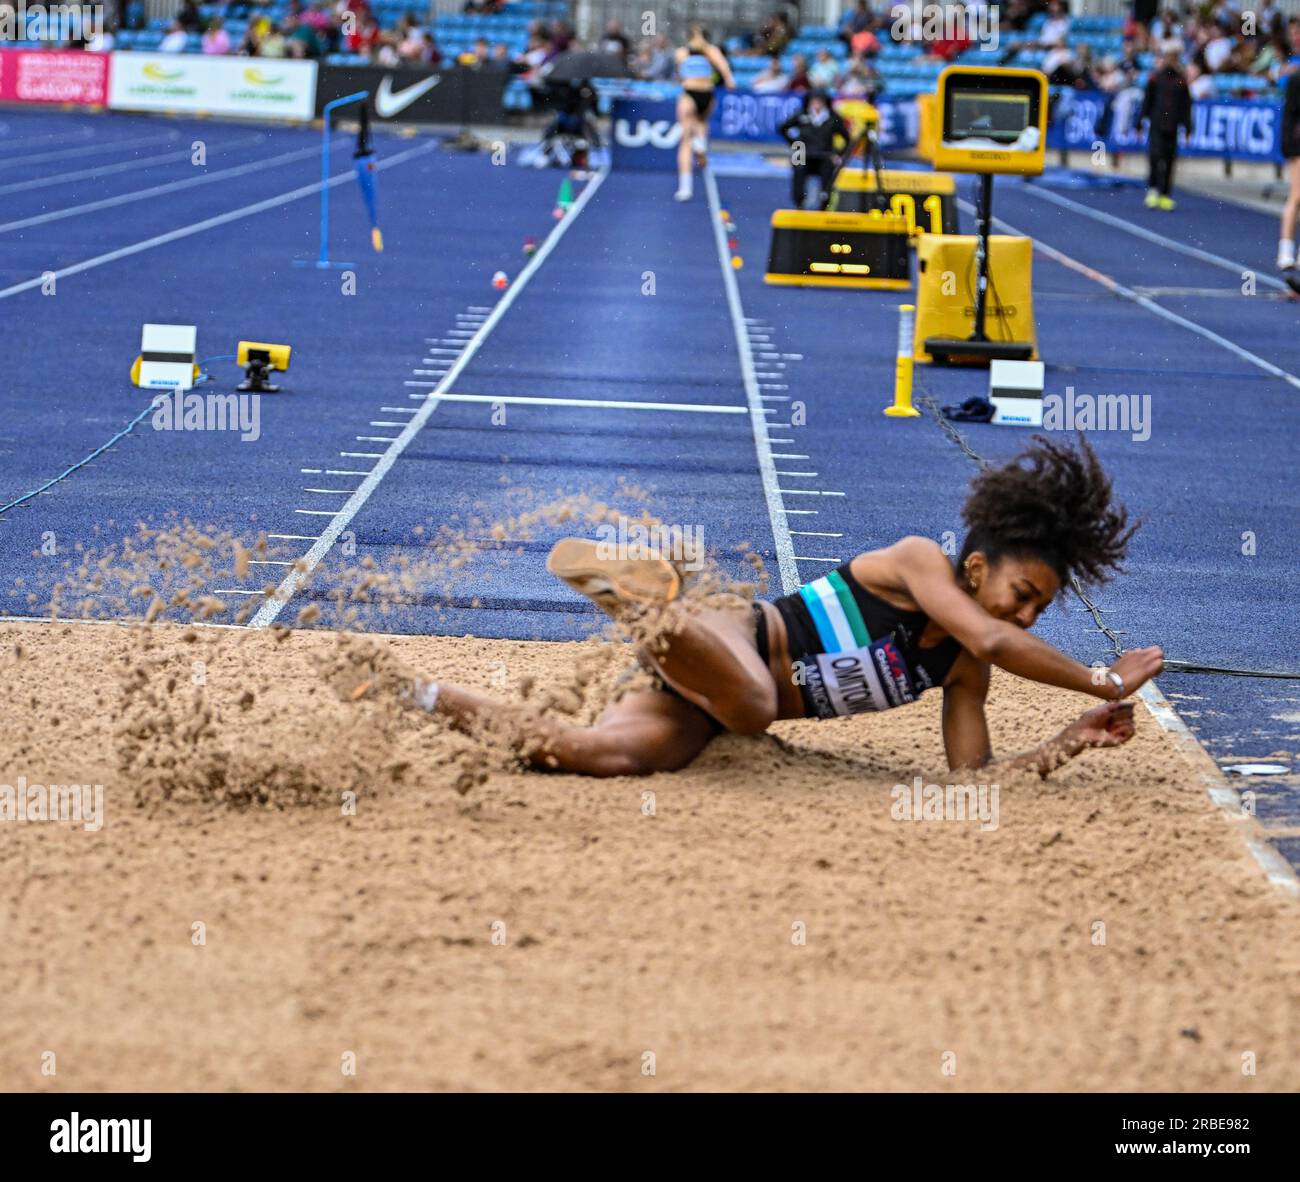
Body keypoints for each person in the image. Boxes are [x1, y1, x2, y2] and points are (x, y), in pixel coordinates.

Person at [396, 437, 1164, 779]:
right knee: (757, 702)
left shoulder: (962, 670)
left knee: (610, 756)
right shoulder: (917, 562)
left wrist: (1074, 737)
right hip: (735, 633)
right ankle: (647, 601)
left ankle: (414, 694)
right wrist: (1104, 681)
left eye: (1039, 608)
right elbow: (994, 638)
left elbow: (972, 780)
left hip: (706, 695)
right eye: (1022, 596)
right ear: (975, 566)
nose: (1026, 617)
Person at [672, 23, 734, 202]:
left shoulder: (710, 50)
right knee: (687, 138)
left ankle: (699, 144)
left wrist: (728, 78)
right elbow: (680, 72)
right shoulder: (683, 52)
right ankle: (685, 186)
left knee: (699, 126)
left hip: (704, 94)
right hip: (692, 93)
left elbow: (722, 66)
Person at [1140, 41, 1193, 210]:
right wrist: (1140, 121)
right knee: (1155, 157)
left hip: (1173, 125)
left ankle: (1165, 194)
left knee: (1169, 160)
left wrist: (1188, 126)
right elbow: (1147, 101)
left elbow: (1186, 105)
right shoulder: (1155, 79)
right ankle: (1153, 189)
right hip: (1157, 123)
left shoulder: (1180, 81)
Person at [779, 91, 850, 209]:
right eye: (814, 100)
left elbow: (847, 138)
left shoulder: (832, 118)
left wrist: (838, 154)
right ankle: (799, 202)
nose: (817, 104)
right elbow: (783, 128)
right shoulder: (802, 115)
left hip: (825, 155)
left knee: (828, 174)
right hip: (803, 154)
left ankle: (824, 204)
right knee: (798, 167)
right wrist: (796, 145)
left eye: (820, 101)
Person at [1279, 62, 1300, 291]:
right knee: (1296, 196)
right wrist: (1288, 147)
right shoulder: (1296, 79)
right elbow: (1289, 114)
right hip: (1298, 145)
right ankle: (1285, 251)